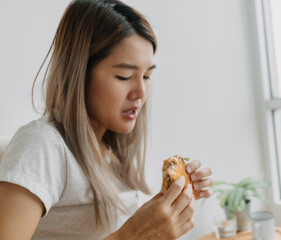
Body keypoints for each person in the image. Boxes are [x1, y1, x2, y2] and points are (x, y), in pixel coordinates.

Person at [0, 0, 213, 239]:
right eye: (124, 76)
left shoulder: (110, 153)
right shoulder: (42, 146)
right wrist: (134, 234)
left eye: (147, 75)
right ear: (80, 74)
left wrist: (172, 202)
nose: (141, 93)